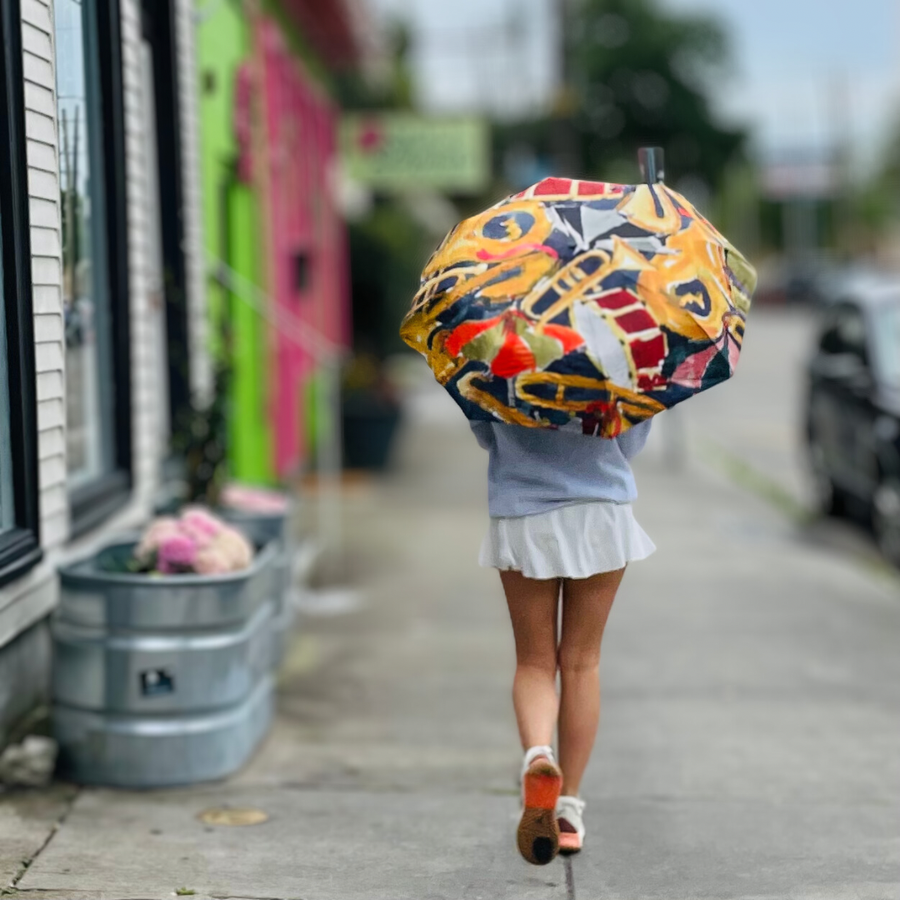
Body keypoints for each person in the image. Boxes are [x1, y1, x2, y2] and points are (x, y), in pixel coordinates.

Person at [471, 417, 655, 865]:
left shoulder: (501, 367)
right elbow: (631, 438)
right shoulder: (616, 370)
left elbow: (484, 430)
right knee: (581, 663)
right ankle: (568, 809)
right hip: (601, 510)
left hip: (522, 509)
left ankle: (538, 754)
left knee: (534, 663)